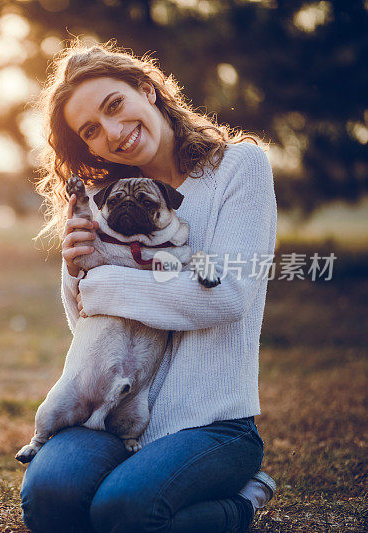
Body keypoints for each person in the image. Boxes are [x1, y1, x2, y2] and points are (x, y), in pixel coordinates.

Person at [20, 42, 278, 533]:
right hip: (112, 413)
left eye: (114, 105)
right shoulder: (106, 205)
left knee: (125, 511)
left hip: (211, 421)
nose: (112, 133)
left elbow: (228, 294)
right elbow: (90, 326)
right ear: (88, 148)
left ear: (148, 89)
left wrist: (103, 280)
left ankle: (243, 501)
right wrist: (76, 273)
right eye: (91, 131)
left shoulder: (241, 168)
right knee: (49, 496)